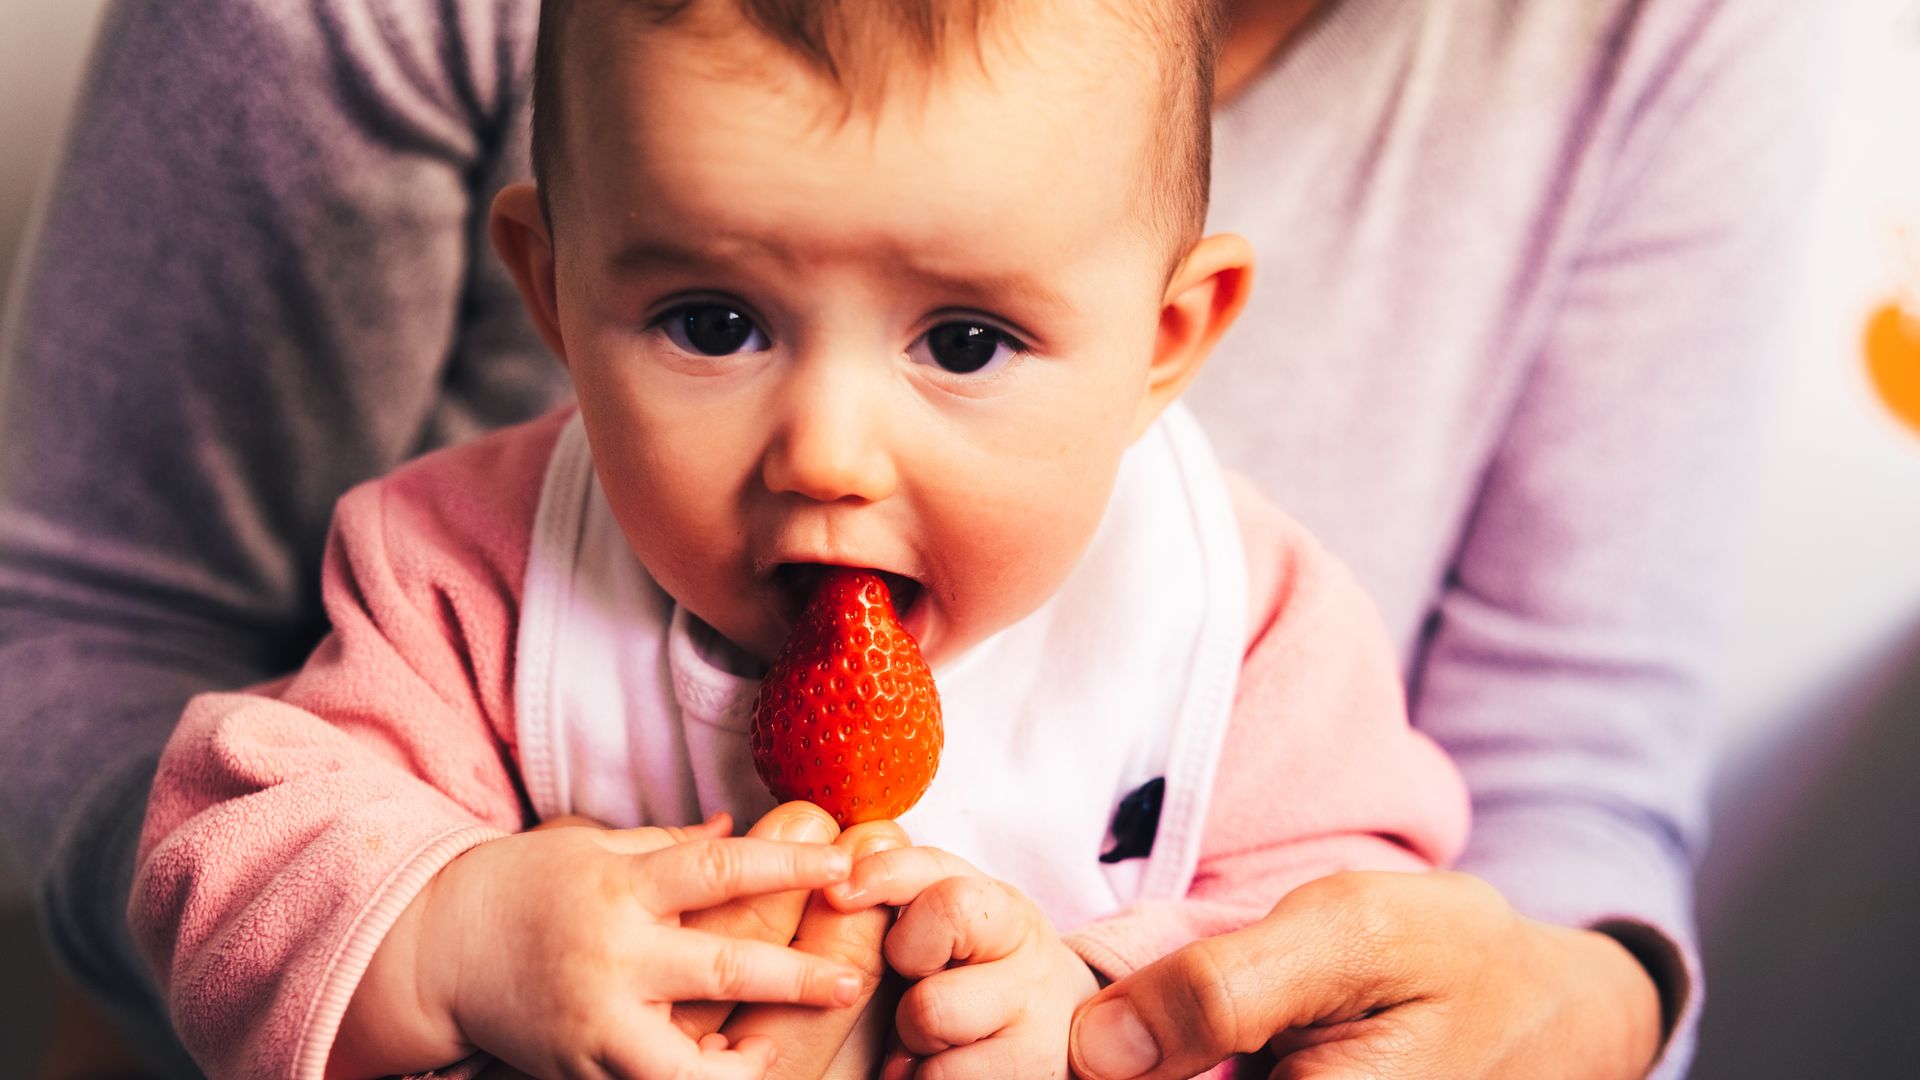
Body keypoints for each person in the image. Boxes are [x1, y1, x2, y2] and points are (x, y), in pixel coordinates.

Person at [0, 0, 1830, 1078]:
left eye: (963, 343)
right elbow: (223, 829)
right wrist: (444, 931)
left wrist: (1095, 1006)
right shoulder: (455, 569)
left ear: (1170, 343)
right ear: (552, 291)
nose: (827, 447)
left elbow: (1340, 937)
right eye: (712, 321)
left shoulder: (1241, 628)